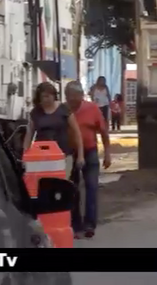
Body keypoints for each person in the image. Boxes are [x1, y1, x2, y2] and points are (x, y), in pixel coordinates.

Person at [64, 81, 111, 239]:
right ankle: (75, 225)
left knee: (91, 186)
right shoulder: (63, 110)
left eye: (73, 96)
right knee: (72, 189)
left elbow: (103, 132)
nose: (71, 100)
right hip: (70, 153)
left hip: (89, 152)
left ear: (80, 95)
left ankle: (90, 224)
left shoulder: (92, 109)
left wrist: (107, 154)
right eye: (68, 96)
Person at [23, 82, 84, 179]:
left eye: (48, 96)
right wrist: (25, 154)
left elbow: (77, 133)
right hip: (42, 156)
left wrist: (80, 155)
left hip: (63, 155)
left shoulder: (64, 110)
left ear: (54, 95)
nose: (46, 99)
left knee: (60, 183)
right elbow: (29, 134)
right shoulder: (35, 113)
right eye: (43, 97)